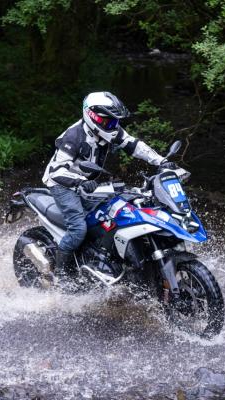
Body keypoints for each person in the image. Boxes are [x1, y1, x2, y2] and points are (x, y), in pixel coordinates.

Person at [42, 91, 176, 280]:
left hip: (89, 182)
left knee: (115, 212)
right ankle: (61, 276)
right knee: (78, 228)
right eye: (110, 121)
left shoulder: (110, 130)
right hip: (63, 184)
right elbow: (56, 171)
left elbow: (134, 145)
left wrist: (160, 161)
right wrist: (80, 181)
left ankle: (105, 260)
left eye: (115, 122)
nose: (114, 126)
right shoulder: (74, 136)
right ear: (93, 117)